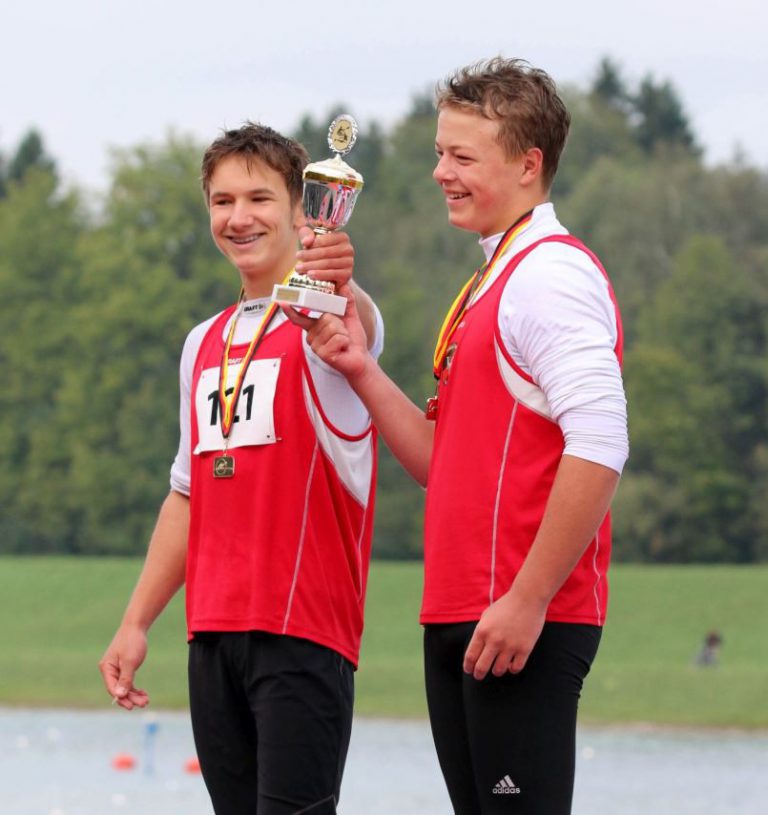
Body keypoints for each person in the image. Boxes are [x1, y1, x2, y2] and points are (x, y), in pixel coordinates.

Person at [288, 58, 628, 814]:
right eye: (440, 152)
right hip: (461, 610)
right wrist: (360, 367)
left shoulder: (549, 276)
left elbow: (602, 442)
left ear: (528, 165)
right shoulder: (492, 279)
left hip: (518, 614)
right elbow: (442, 465)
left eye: (462, 157)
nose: (441, 172)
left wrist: (528, 598)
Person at [98, 122, 383, 815]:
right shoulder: (203, 343)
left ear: (299, 209)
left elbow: (361, 323)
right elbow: (187, 494)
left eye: (259, 199)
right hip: (212, 635)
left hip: (301, 632)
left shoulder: (326, 327)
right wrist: (136, 621)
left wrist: (337, 278)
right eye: (222, 201)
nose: (239, 217)